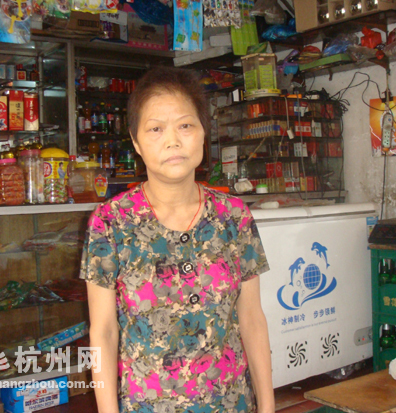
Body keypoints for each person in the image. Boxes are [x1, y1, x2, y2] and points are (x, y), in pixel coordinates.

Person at [80, 67, 274, 413]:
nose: (172, 140)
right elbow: (103, 332)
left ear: (203, 133)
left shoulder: (234, 216)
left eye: (185, 126)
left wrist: (268, 408)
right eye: (156, 129)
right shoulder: (110, 222)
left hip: (232, 404)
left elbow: (252, 320)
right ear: (136, 142)